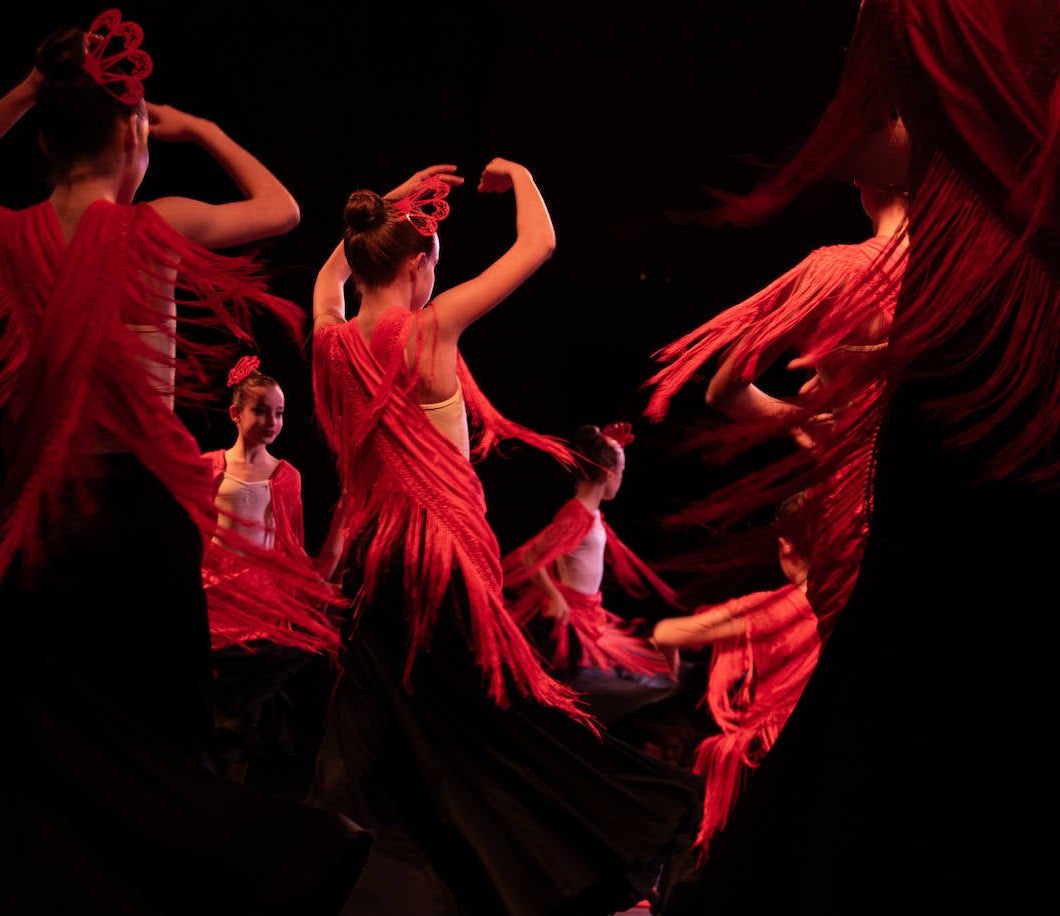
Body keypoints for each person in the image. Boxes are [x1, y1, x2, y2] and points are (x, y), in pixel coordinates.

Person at [0, 11, 369, 914]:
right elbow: (285, 210)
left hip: (38, 510)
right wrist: (200, 128)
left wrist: (29, 87)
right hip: (133, 508)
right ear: (135, 137)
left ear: (42, 140)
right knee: (156, 712)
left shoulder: (4, 230)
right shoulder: (153, 227)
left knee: (39, 722)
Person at [661, 2, 1060, 912]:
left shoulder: (855, 265)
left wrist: (812, 429)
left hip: (959, 415)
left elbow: (727, 385)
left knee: (901, 701)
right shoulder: (923, 249)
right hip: (1033, 393)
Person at [310, 161, 701, 915]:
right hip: (439, 560)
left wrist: (381, 211)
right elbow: (539, 244)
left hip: (378, 563)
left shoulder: (331, 343)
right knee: (503, 725)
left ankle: (361, 866)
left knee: (388, 732)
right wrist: (518, 173)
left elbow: (331, 287)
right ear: (422, 263)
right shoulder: (430, 328)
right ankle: (621, 847)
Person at [646, 178, 907, 634]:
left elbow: (724, 389)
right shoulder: (968, 279)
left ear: (869, 184)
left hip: (855, 494)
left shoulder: (835, 270)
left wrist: (802, 419)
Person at [647, 491, 820, 892]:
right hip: (810, 756)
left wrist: (672, 670)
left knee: (705, 867)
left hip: (755, 760)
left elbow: (664, 633)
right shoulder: (843, 593)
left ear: (785, 546)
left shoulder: (777, 606)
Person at [201, 354, 341, 790]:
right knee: (214, 694)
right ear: (235, 413)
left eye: (279, 413)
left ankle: (235, 790)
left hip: (261, 601)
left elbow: (290, 543)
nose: (272, 421)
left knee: (251, 708)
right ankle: (208, 782)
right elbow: (193, 531)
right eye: (261, 410)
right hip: (216, 598)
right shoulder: (208, 467)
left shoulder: (287, 475)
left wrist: (310, 587)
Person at [502, 421, 681, 726]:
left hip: (589, 614)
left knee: (651, 673)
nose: (621, 482)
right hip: (573, 620)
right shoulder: (578, 514)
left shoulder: (592, 514)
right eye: (622, 474)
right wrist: (554, 595)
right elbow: (532, 555)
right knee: (615, 682)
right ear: (609, 474)